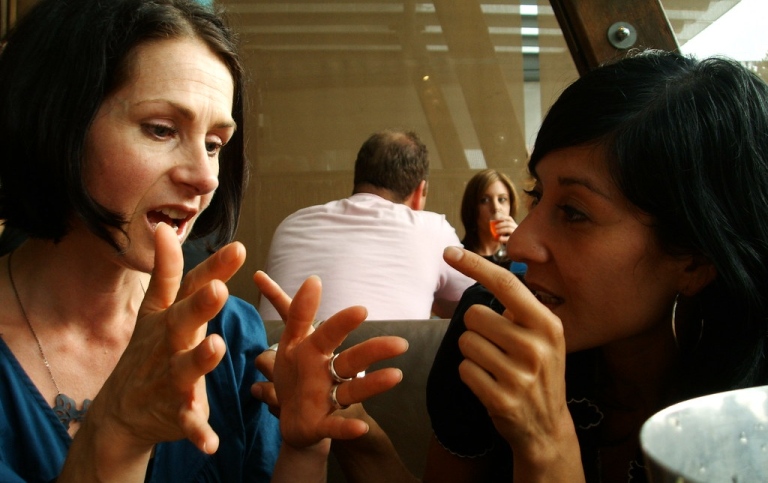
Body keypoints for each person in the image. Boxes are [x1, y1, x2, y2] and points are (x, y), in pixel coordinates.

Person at [256, 50, 768, 482]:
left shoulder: (750, 416)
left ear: (695, 259)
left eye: (574, 212)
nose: (519, 242)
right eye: (537, 194)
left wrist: (546, 447)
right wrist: (349, 424)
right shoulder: (490, 324)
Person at [0, 0, 407, 481]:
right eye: (161, 130)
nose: (205, 177)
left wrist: (305, 446)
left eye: (214, 144)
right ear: (55, 121)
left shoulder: (231, 332)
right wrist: (117, 434)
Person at [259, 129, 474, 321]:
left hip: (278, 354)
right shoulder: (433, 229)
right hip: (392, 355)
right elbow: (472, 307)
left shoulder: (292, 225)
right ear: (419, 192)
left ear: (359, 177)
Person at [459, 168, 525, 273]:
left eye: (502, 199)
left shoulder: (519, 256)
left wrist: (522, 245)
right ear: (472, 208)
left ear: (511, 205)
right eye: (485, 200)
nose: (496, 207)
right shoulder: (460, 257)